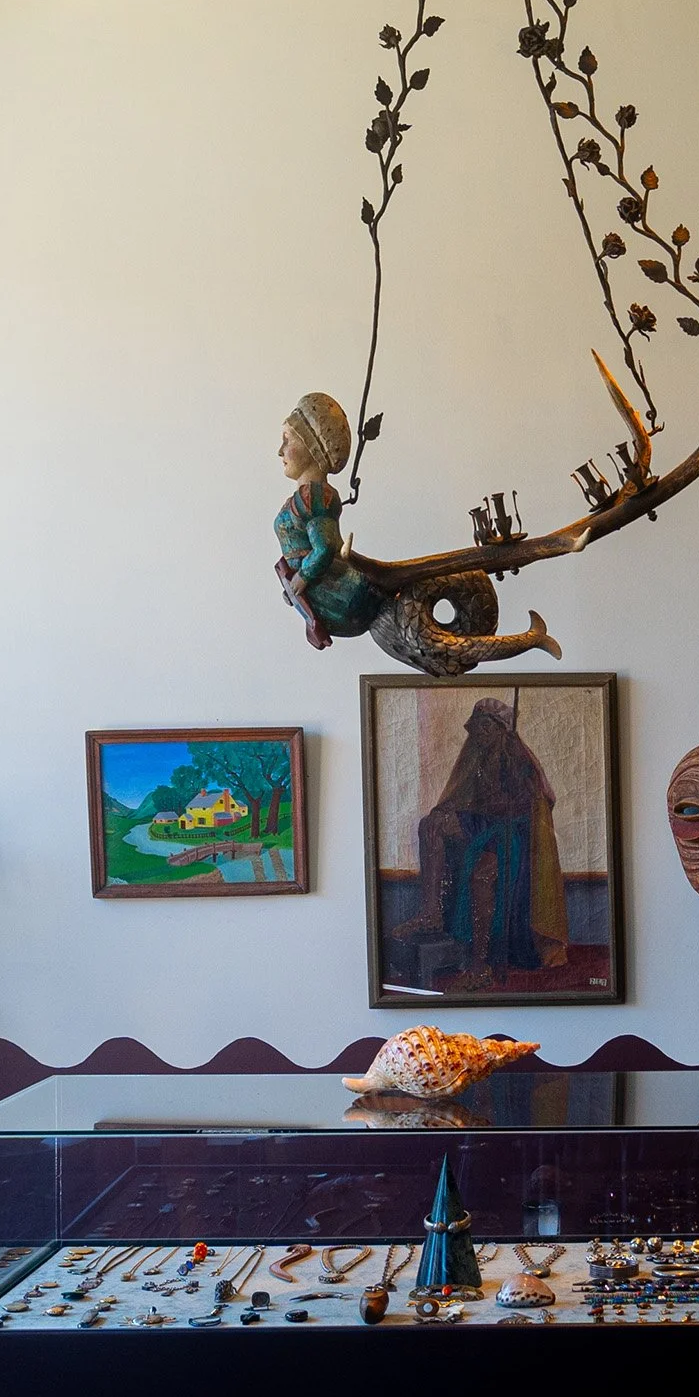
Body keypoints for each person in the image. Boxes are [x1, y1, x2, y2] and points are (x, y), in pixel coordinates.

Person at [400, 697, 569, 985]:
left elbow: (537, 802)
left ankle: (480, 963)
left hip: (512, 832)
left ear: (499, 729)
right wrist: (446, 810)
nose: (480, 733)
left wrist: (508, 792)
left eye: (486, 727)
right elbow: (461, 796)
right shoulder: (475, 755)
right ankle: (430, 913)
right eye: (477, 726)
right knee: (431, 824)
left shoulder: (516, 756)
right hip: (481, 824)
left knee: (483, 874)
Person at [273, 392, 383, 649]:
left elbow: (324, 548)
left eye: (287, 440)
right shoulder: (305, 496)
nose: (280, 451)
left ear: (312, 448)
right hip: (315, 593)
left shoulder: (314, 497)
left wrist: (301, 579)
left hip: (337, 594)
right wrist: (293, 588)